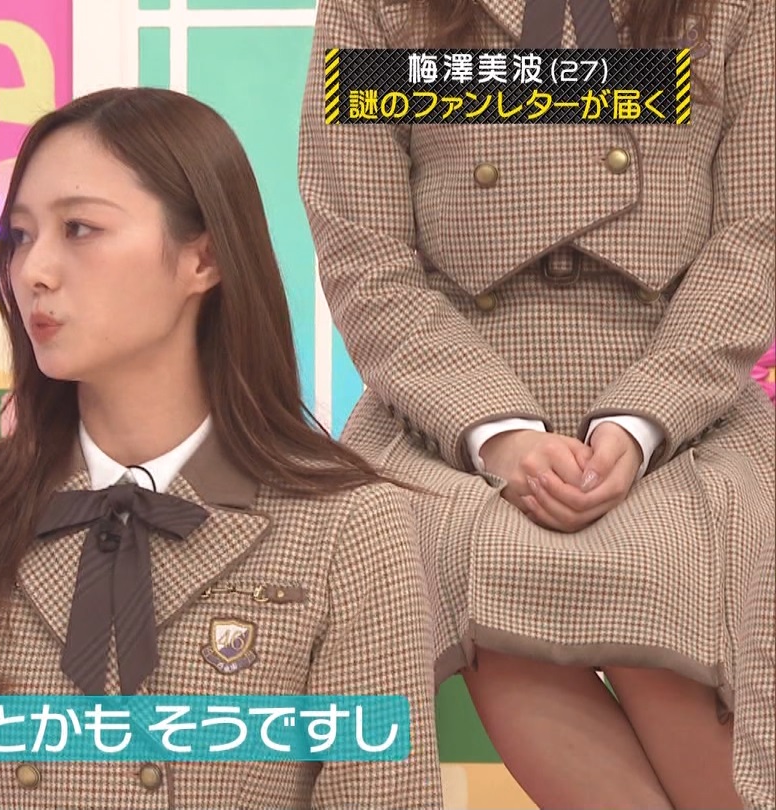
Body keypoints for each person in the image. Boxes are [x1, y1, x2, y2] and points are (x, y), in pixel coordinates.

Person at [0, 87, 444, 809]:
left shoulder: (350, 526)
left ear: (203, 259)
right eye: (20, 236)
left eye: (80, 228)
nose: (34, 271)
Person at [297, 0, 775, 808]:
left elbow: (754, 239)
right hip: (445, 411)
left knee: (666, 554)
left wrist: (641, 421)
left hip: (685, 402)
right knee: (469, 555)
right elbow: (364, 255)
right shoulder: (373, 9)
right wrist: (498, 435)